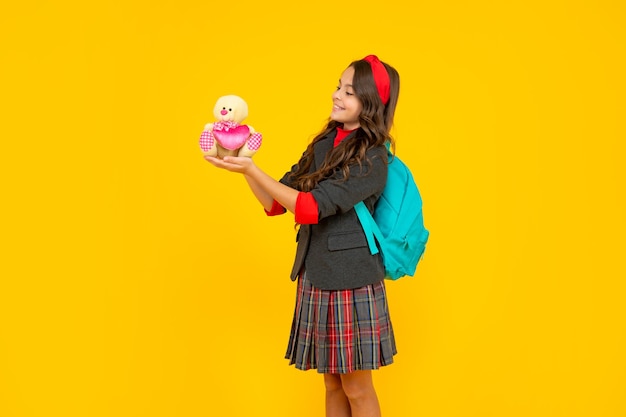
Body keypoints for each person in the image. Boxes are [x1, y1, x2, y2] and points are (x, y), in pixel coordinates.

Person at [205, 54, 400, 417]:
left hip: (351, 280)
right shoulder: (325, 142)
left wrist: (252, 168)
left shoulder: (373, 159)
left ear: (371, 104)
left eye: (350, 92)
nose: (337, 96)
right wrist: (244, 167)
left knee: (357, 387)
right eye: (338, 86)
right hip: (315, 272)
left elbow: (309, 208)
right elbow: (275, 202)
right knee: (330, 383)